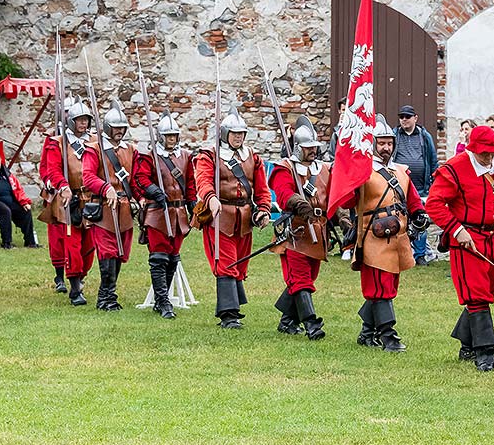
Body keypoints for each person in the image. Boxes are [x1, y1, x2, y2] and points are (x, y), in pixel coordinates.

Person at [426, 125, 494, 372]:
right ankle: (485, 351)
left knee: (487, 290)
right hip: (468, 238)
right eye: (483, 153)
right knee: (476, 295)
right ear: (473, 149)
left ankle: (466, 343)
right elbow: (434, 204)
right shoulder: (454, 168)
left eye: (491, 152)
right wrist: (456, 229)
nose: (488, 157)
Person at [342, 114, 428, 352]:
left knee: (389, 285)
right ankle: (388, 336)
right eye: (381, 143)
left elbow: (411, 199)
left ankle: (367, 332)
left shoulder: (401, 171)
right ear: (373, 144)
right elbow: (347, 200)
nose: (386, 147)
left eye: (389, 143)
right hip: (372, 234)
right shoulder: (364, 172)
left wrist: (419, 213)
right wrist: (349, 174)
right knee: (379, 286)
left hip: (397, 234)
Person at [269, 116, 349, 339]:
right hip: (295, 231)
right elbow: (283, 193)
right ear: (297, 148)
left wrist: (343, 219)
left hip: (319, 232)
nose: (313, 151)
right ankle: (312, 324)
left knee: (307, 277)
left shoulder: (324, 169)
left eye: (314, 147)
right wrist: (298, 202)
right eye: (307, 148)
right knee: (301, 279)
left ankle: (287, 321)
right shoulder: (284, 168)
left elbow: (334, 198)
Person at [194, 106, 272, 328]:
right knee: (225, 262)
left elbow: (262, 188)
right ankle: (229, 316)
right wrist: (210, 198)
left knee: (240, 263)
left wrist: (264, 209)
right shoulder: (209, 155)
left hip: (244, 217)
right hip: (220, 216)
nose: (238, 137)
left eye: (241, 133)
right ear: (225, 134)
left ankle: (233, 308)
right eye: (234, 133)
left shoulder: (252, 157)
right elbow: (204, 181)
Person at [132, 110, 197, 320]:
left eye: (174, 136)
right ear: (160, 136)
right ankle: (162, 301)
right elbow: (140, 178)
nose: (172, 140)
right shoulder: (149, 156)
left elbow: (191, 184)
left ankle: (164, 298)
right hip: (157, 213)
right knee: (159, 257)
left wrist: (193, 205)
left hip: (178, 213)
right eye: (168, 136)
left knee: (172, 257)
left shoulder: (185, 157)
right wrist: (153, 191)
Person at [38, 97, 96, 305]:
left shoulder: (94, 142)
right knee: (70, 242)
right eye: (79, 120)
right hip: (67, 198)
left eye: (86, 120)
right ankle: (73, 286)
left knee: (89, 245)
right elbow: (50, 168)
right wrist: (61, 185)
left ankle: (80, 277)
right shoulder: (57, 142)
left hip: (90, 198)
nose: (83, 124)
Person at [82, 99, 136, 311]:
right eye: (115, 128)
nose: (119, 132)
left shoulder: (130, 149)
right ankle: (106, 297)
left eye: (122, 128)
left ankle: (109, 295)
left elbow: (135, 179)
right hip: (104, 207)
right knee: (107, 251)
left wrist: (139, 198)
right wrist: (106, 188)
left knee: (121, 253)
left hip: (124, 207)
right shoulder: (94, 149)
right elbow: (87, 177)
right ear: (107, 127)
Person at [392, 104, 438, 266]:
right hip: (399, 185)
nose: (404, 119)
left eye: (407, 116)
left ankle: (420, 255)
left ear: (415, 118)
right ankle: (400, 252)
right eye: (401, 116)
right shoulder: (394, 134)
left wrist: (434, 184)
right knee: (399, 219)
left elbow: (433, 161)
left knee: (420, 220)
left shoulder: (425, 136)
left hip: (421, 187)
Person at [325, 97, 347, 162]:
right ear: (339, 111)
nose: (345, 113)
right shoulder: (335, 133)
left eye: (347, 110)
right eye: (343, 110)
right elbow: (332, 154)